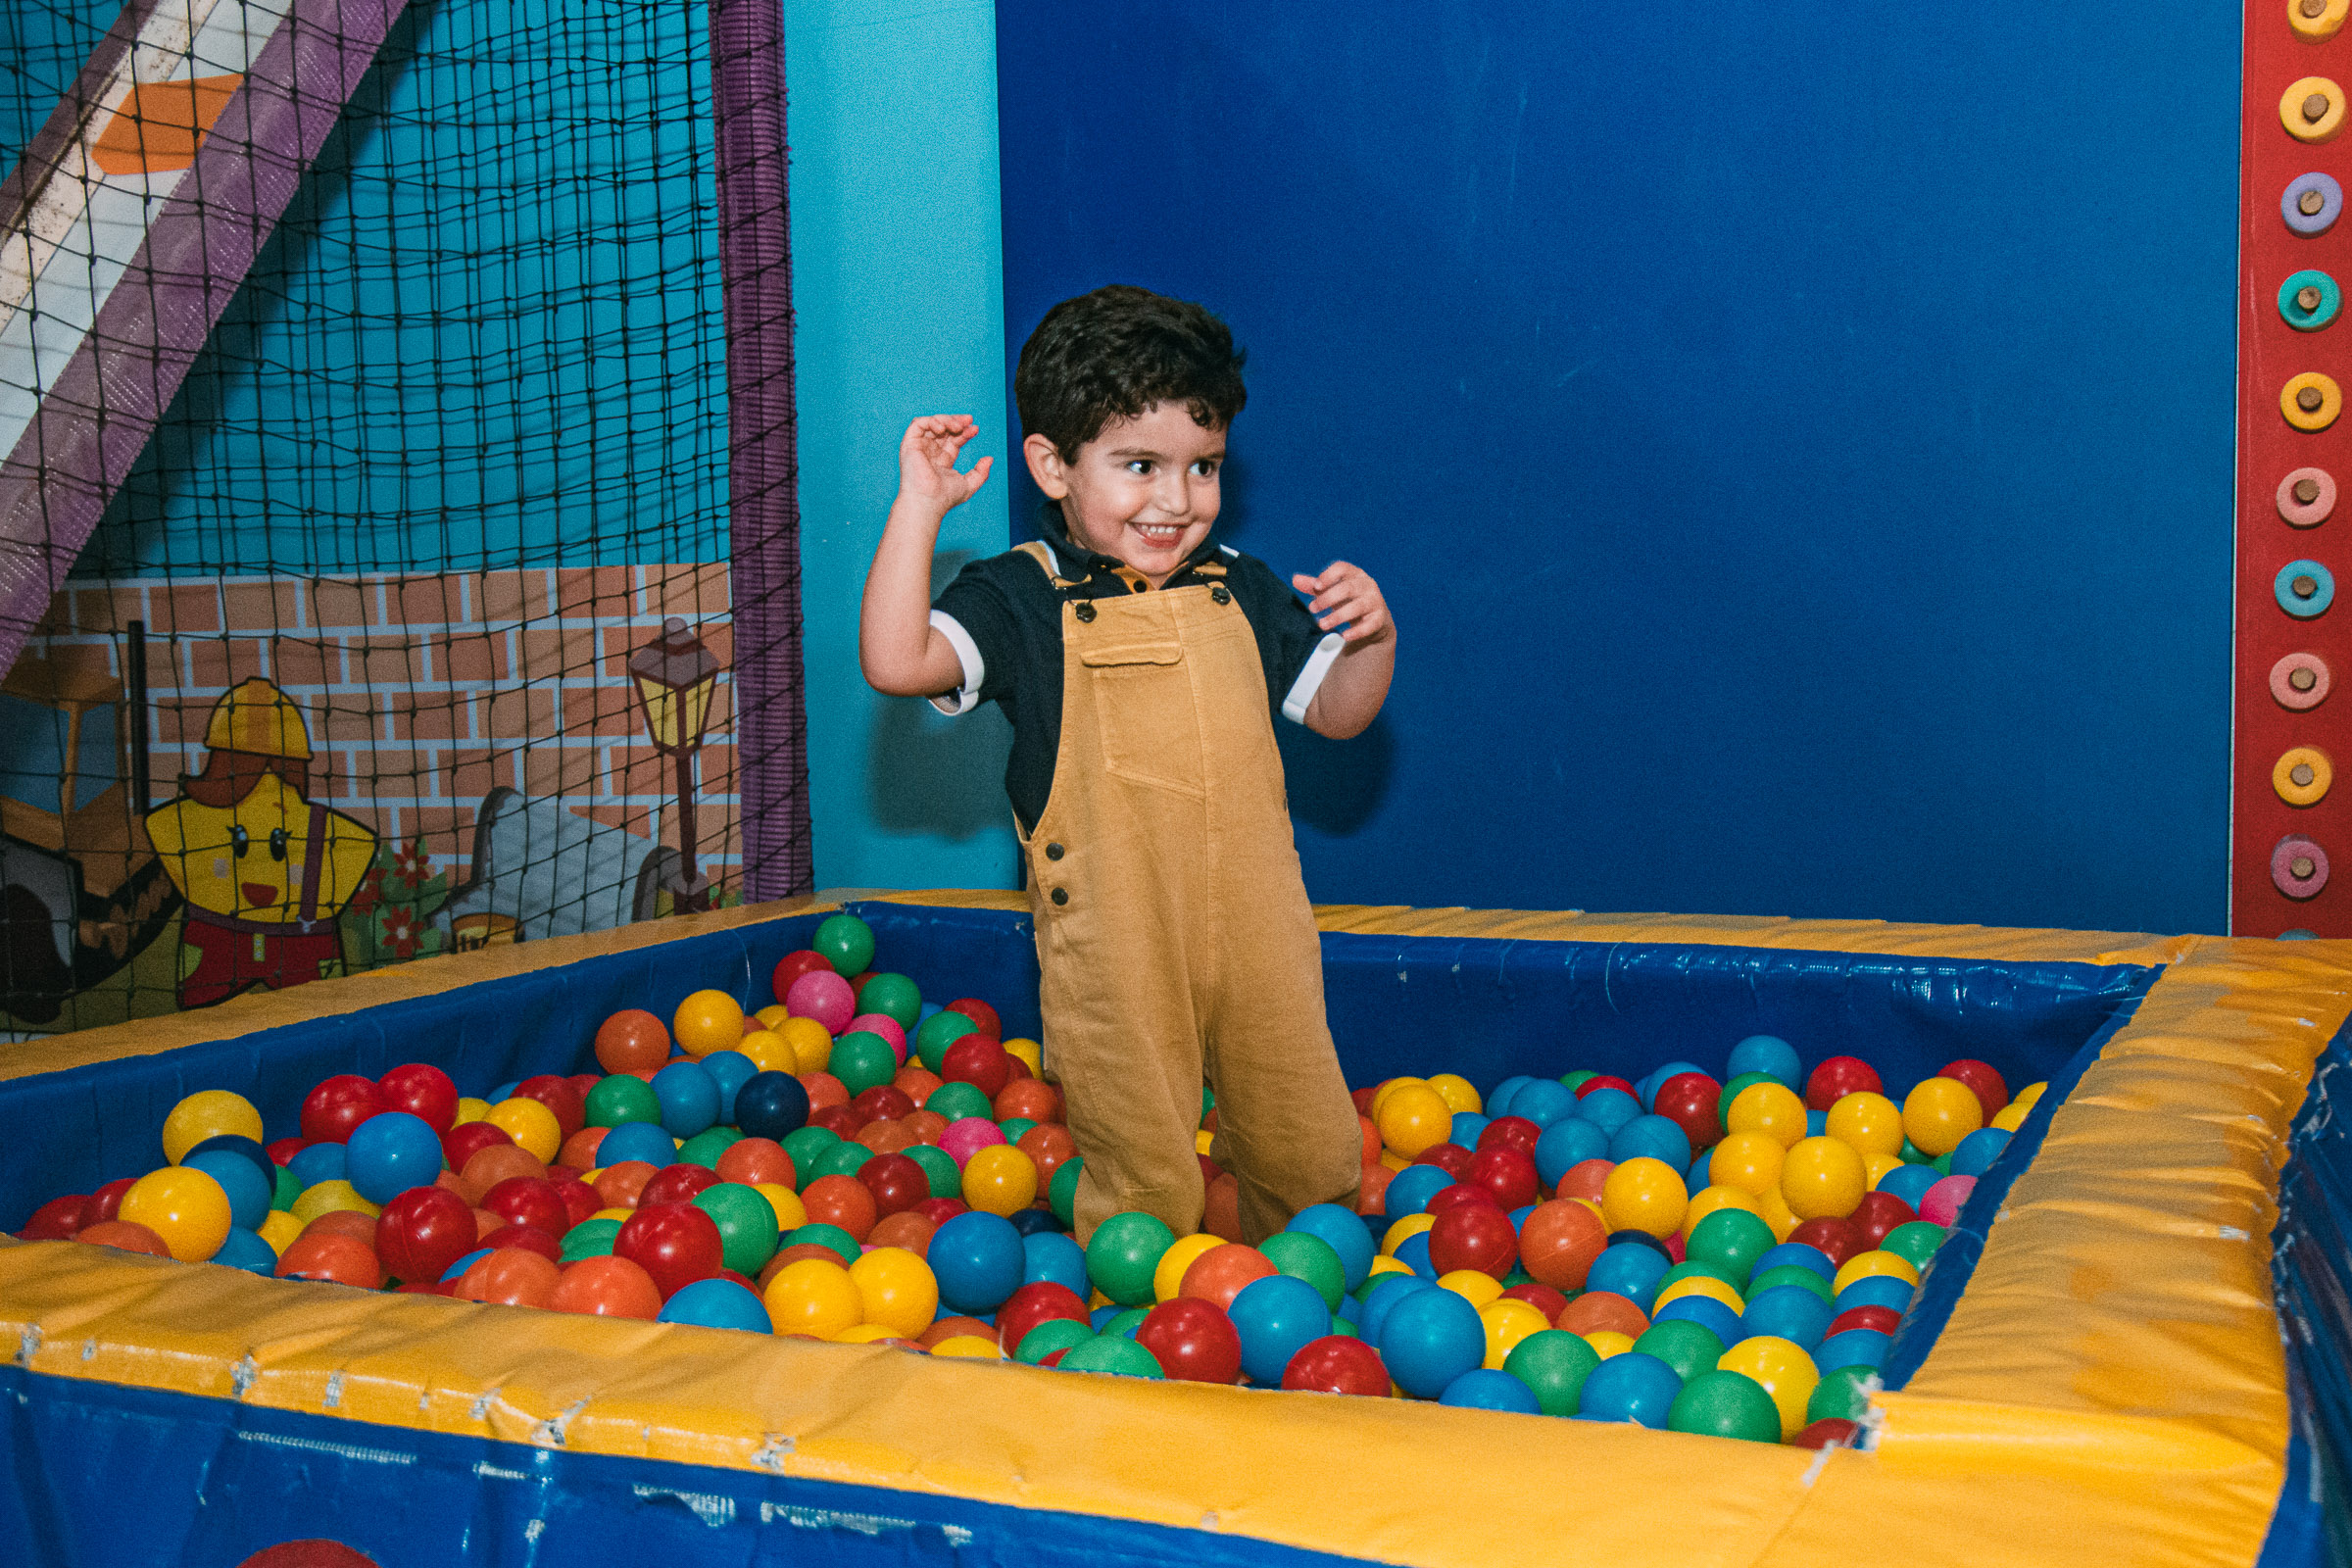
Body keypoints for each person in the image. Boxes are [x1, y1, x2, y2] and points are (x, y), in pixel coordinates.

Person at [859, 284, 1396, 1245]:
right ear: (1053, 465)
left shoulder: (1239, 585)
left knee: (1312, 1148)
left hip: (1260, 923)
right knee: (1144, 1167)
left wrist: (1372, 642)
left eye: (1204, 467)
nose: (1177, 500)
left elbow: (1338, 715)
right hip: (1116, 938)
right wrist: (919, 510)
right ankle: (1140, 1307)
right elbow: (898, 662)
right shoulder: (1023, 596)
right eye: (1140, 466)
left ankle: (1298, 1288)